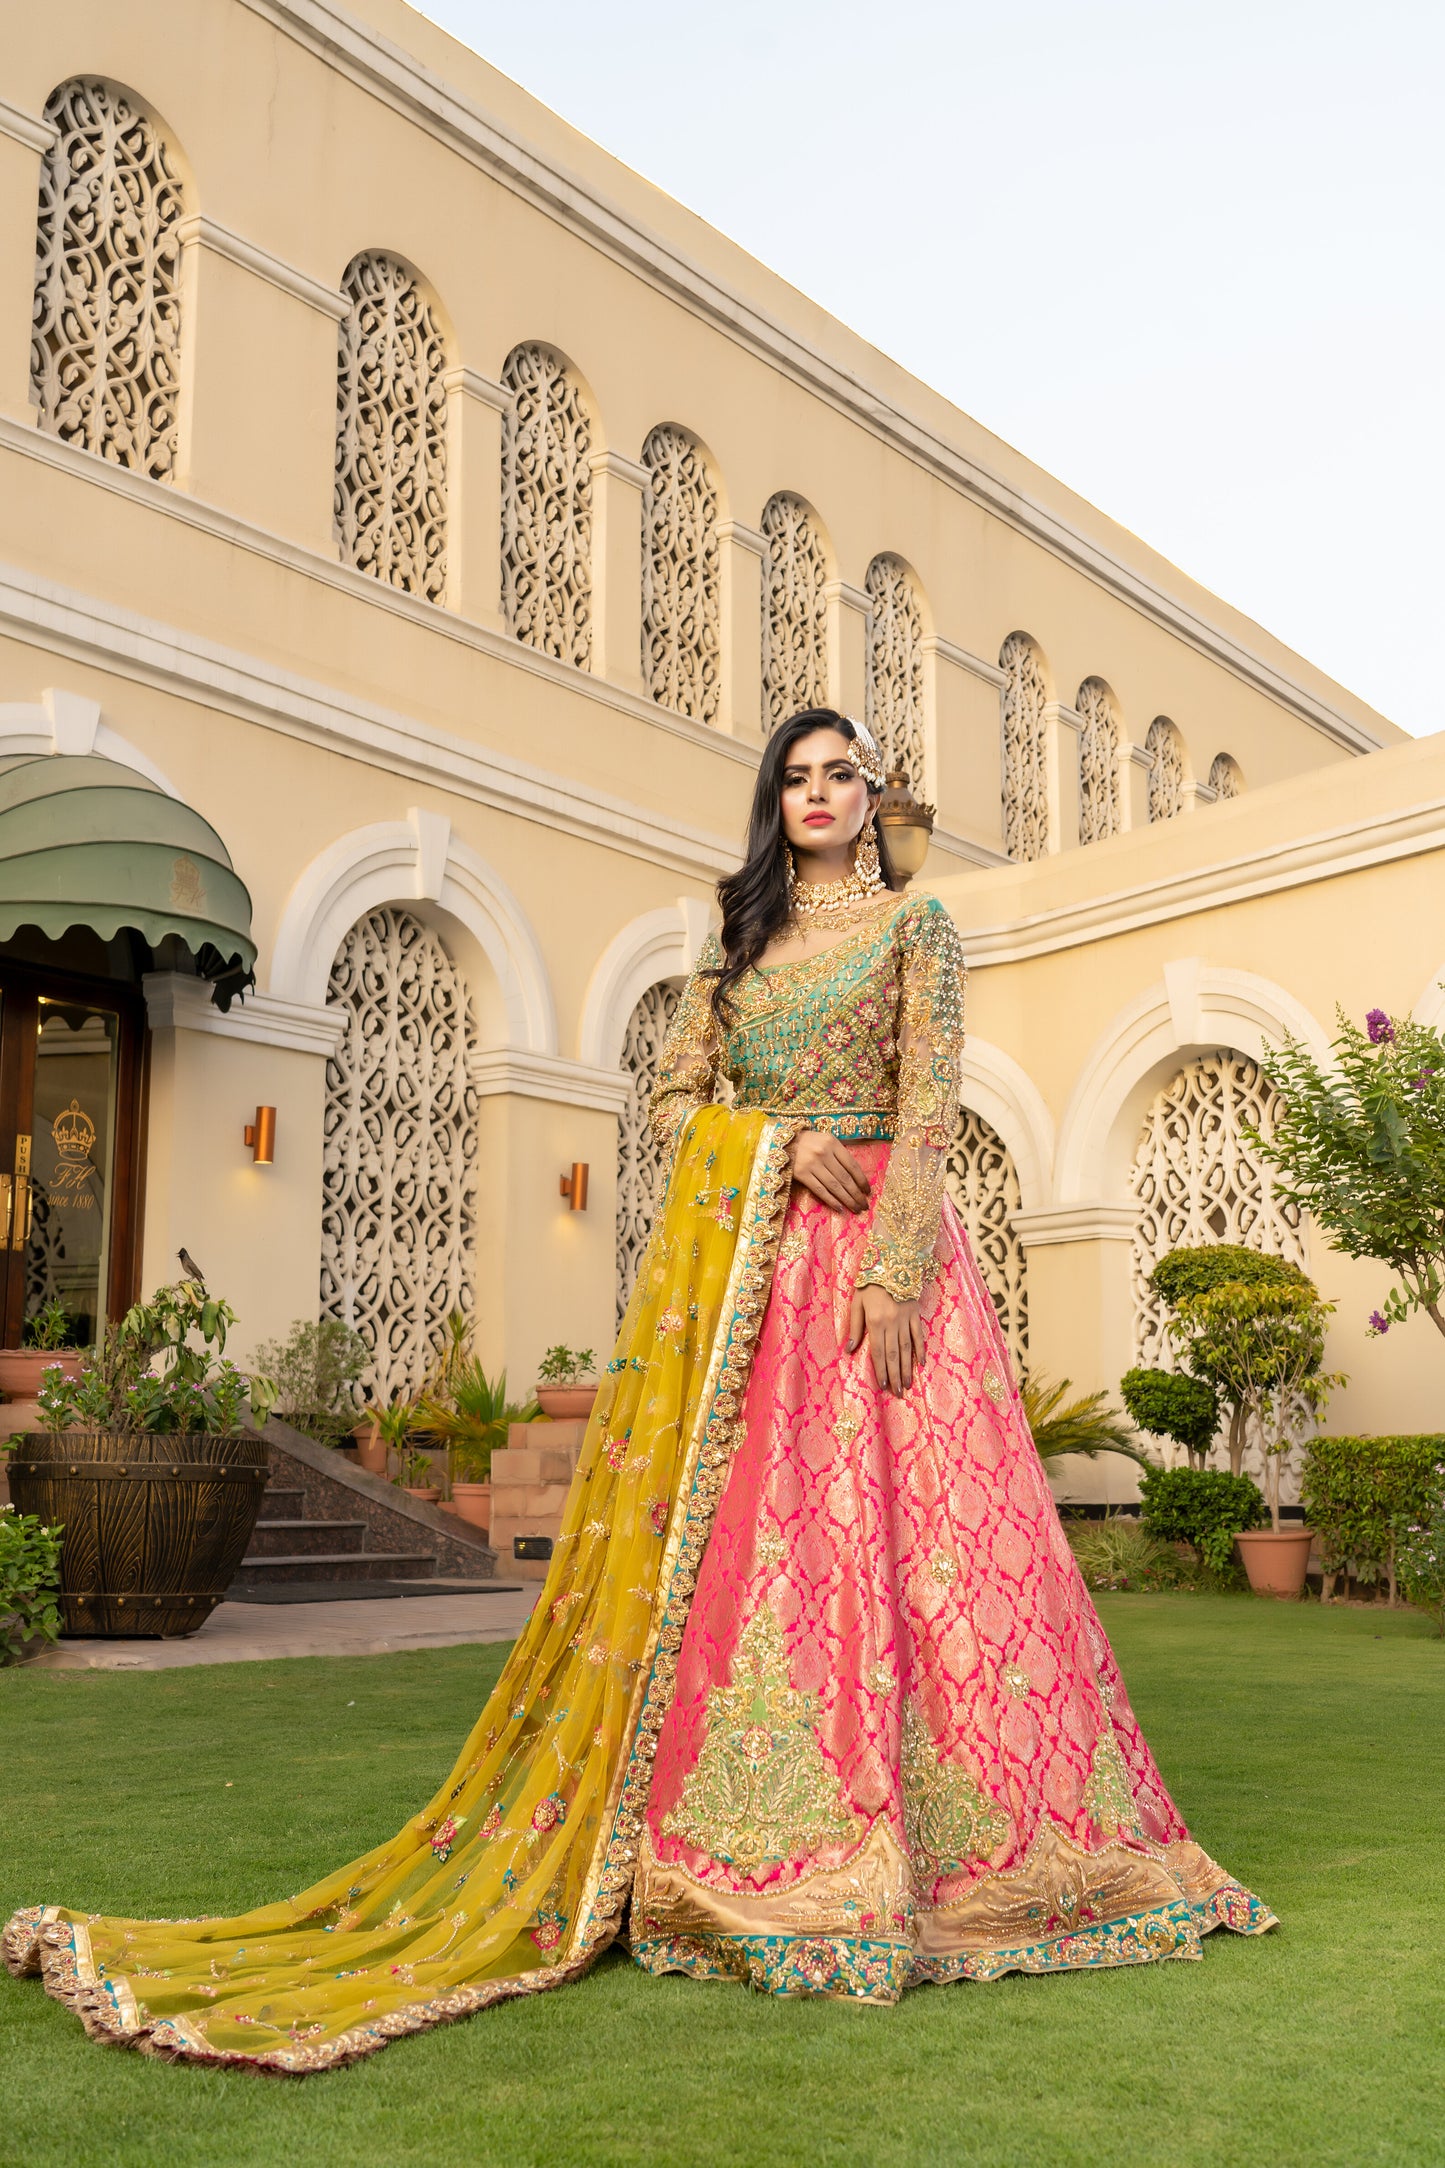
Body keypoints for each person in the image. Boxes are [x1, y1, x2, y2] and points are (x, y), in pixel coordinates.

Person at [4, 710, 1274, 2072]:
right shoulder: (734, 950)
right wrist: (774, 1146)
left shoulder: (918, 930)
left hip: (879, 1277)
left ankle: (974, 1842)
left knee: (927, 1546)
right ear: (773, 801)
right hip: (757, 1275)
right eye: (796, 778)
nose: (819, 795)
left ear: (871, 797)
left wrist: (897, 1272)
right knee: (758, 1550)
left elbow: (927, 1100)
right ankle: (740, 1834)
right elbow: (673, 1106)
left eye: (840, 776)